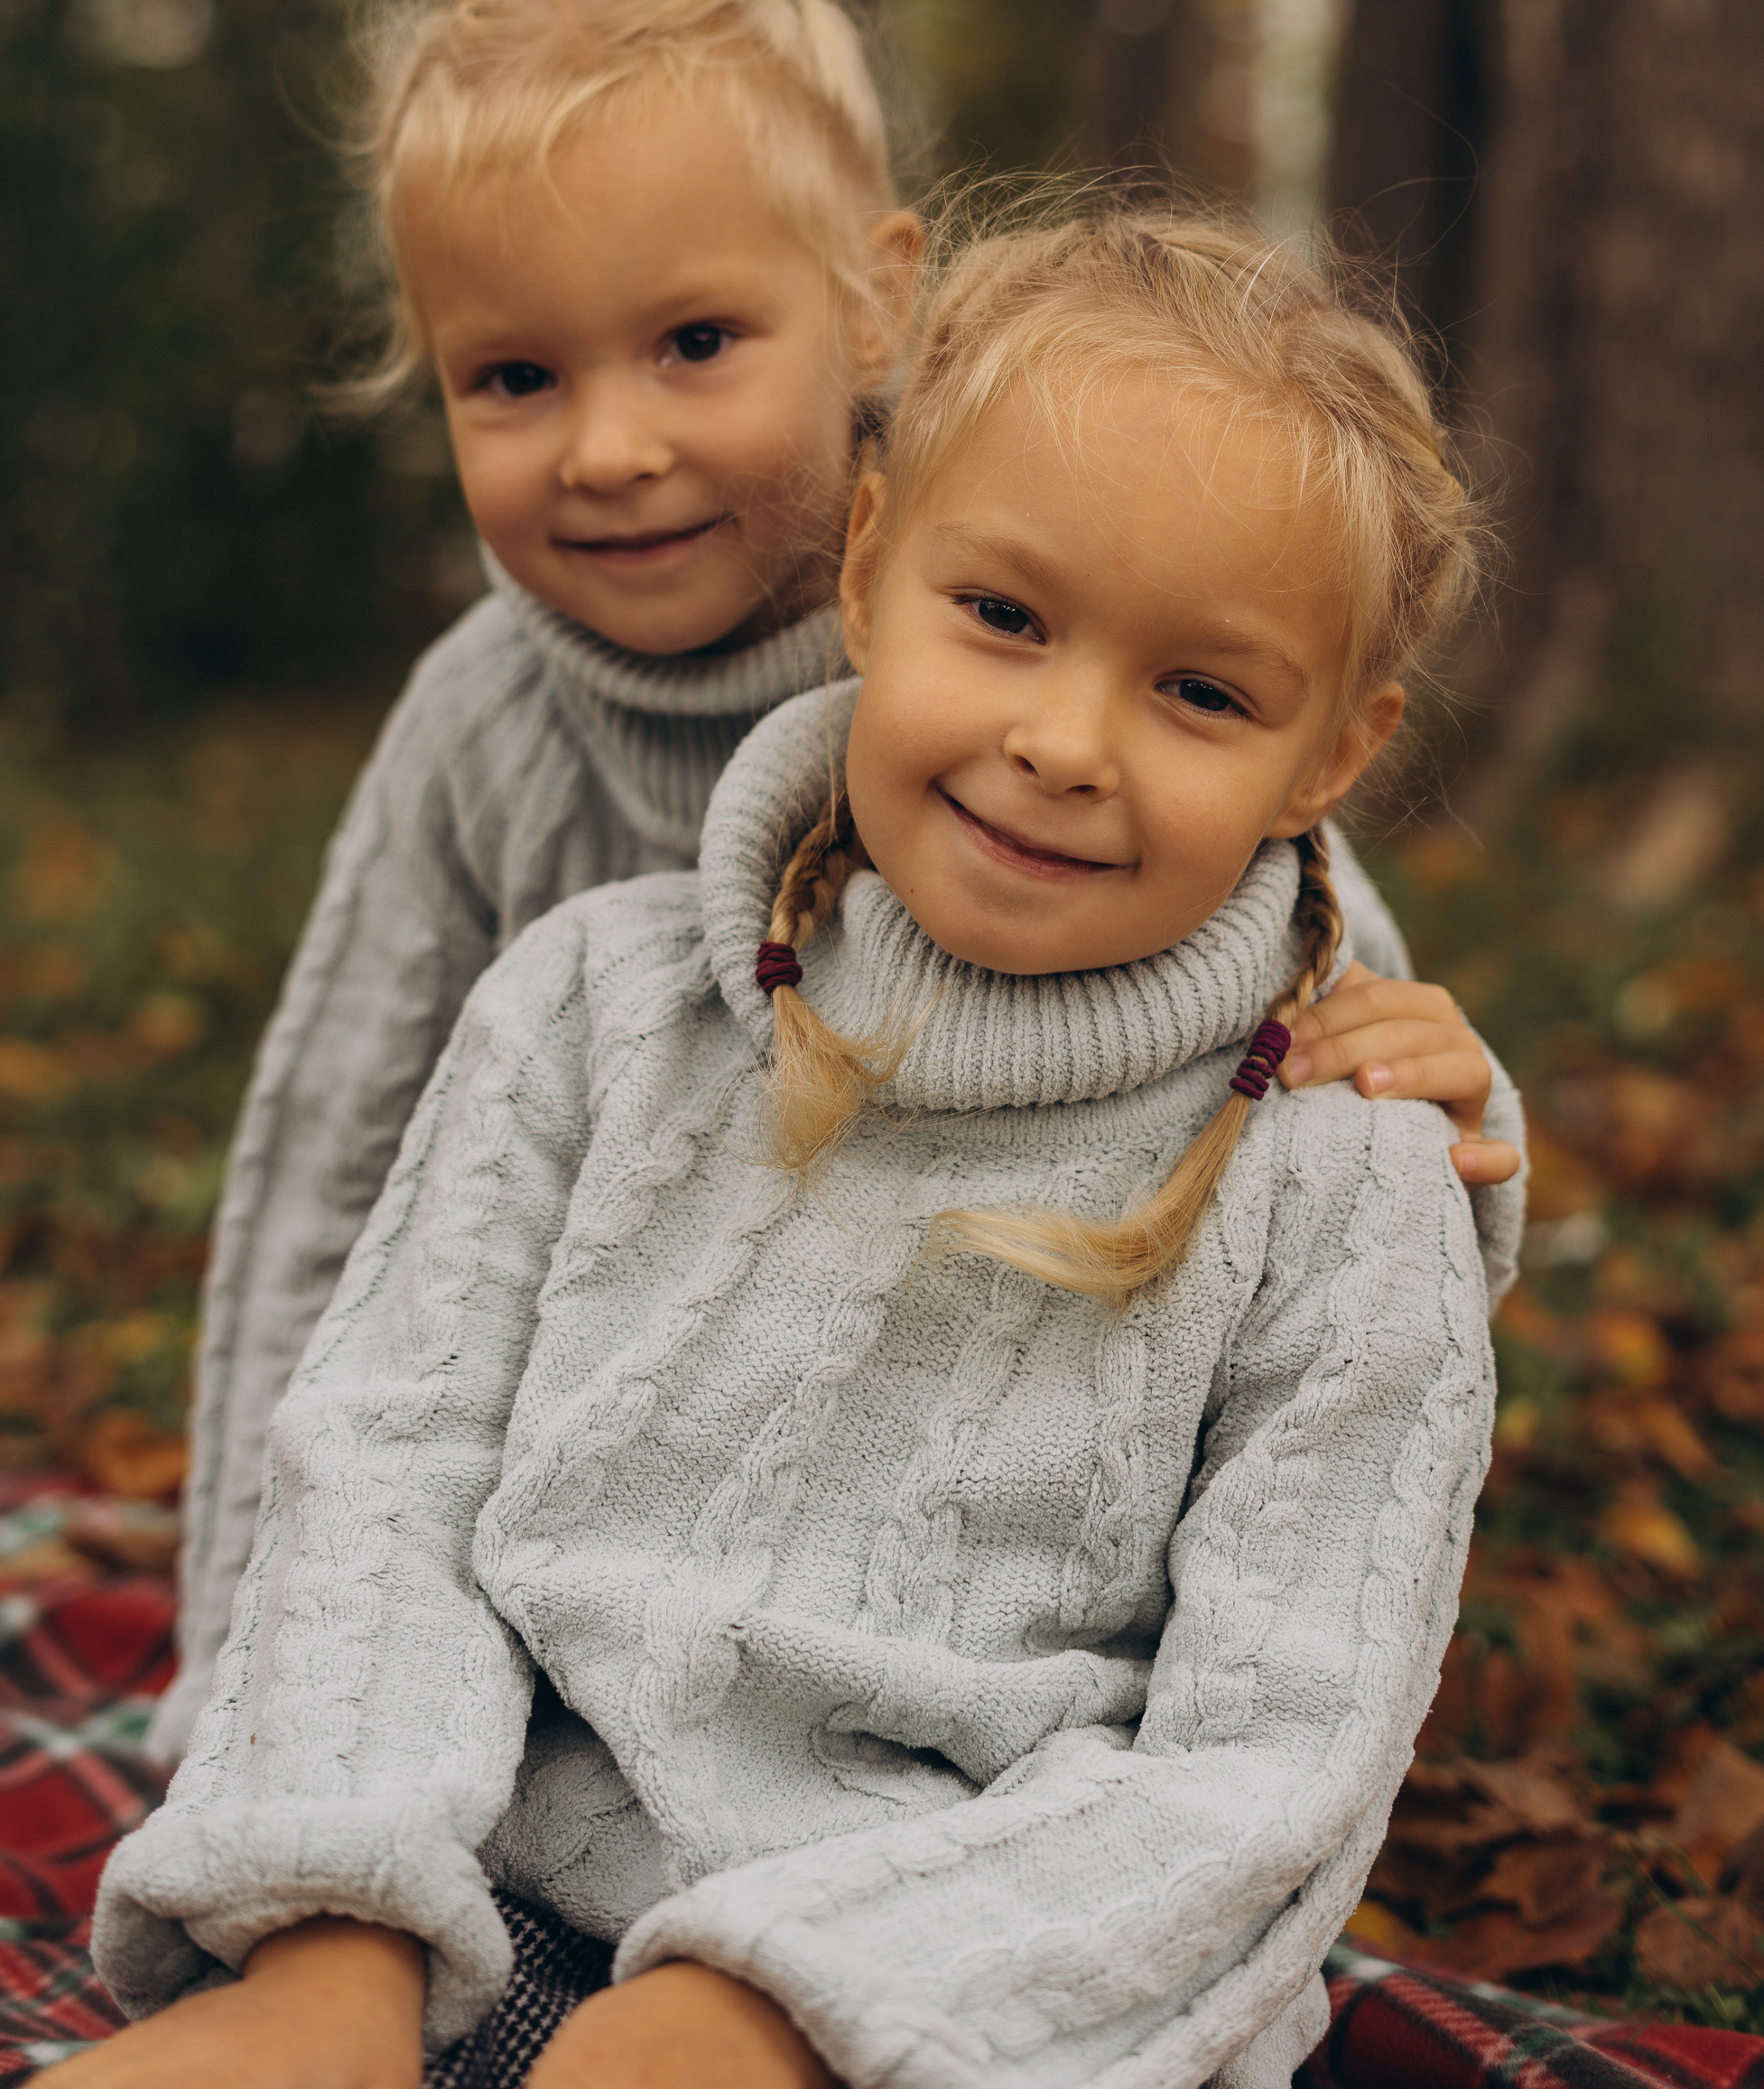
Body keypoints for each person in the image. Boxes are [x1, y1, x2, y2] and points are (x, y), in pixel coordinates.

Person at [88, 210, 1514, 2089]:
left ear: (1329, 753)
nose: (1066, 740)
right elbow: (384, 1472)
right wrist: (328, 1938)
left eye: (1203, 693)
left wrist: (773, 2013)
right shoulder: (594, 1012)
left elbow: (1270, 1765)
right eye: (1001, 616)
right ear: (865, 570)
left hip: (960, 1995)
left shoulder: (1341, 1189)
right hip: (470, 1913)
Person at [150, 0, 1522, 1768]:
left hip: (972, 1491)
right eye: (511, 380)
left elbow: (1276, 968)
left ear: (873, 305)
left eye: (695, 344)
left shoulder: (1033, 617)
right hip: (591, 1481)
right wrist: (244, 1676)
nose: (610, 448)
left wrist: (1441, 1087)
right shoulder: (484, 732)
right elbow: (341, 1186)